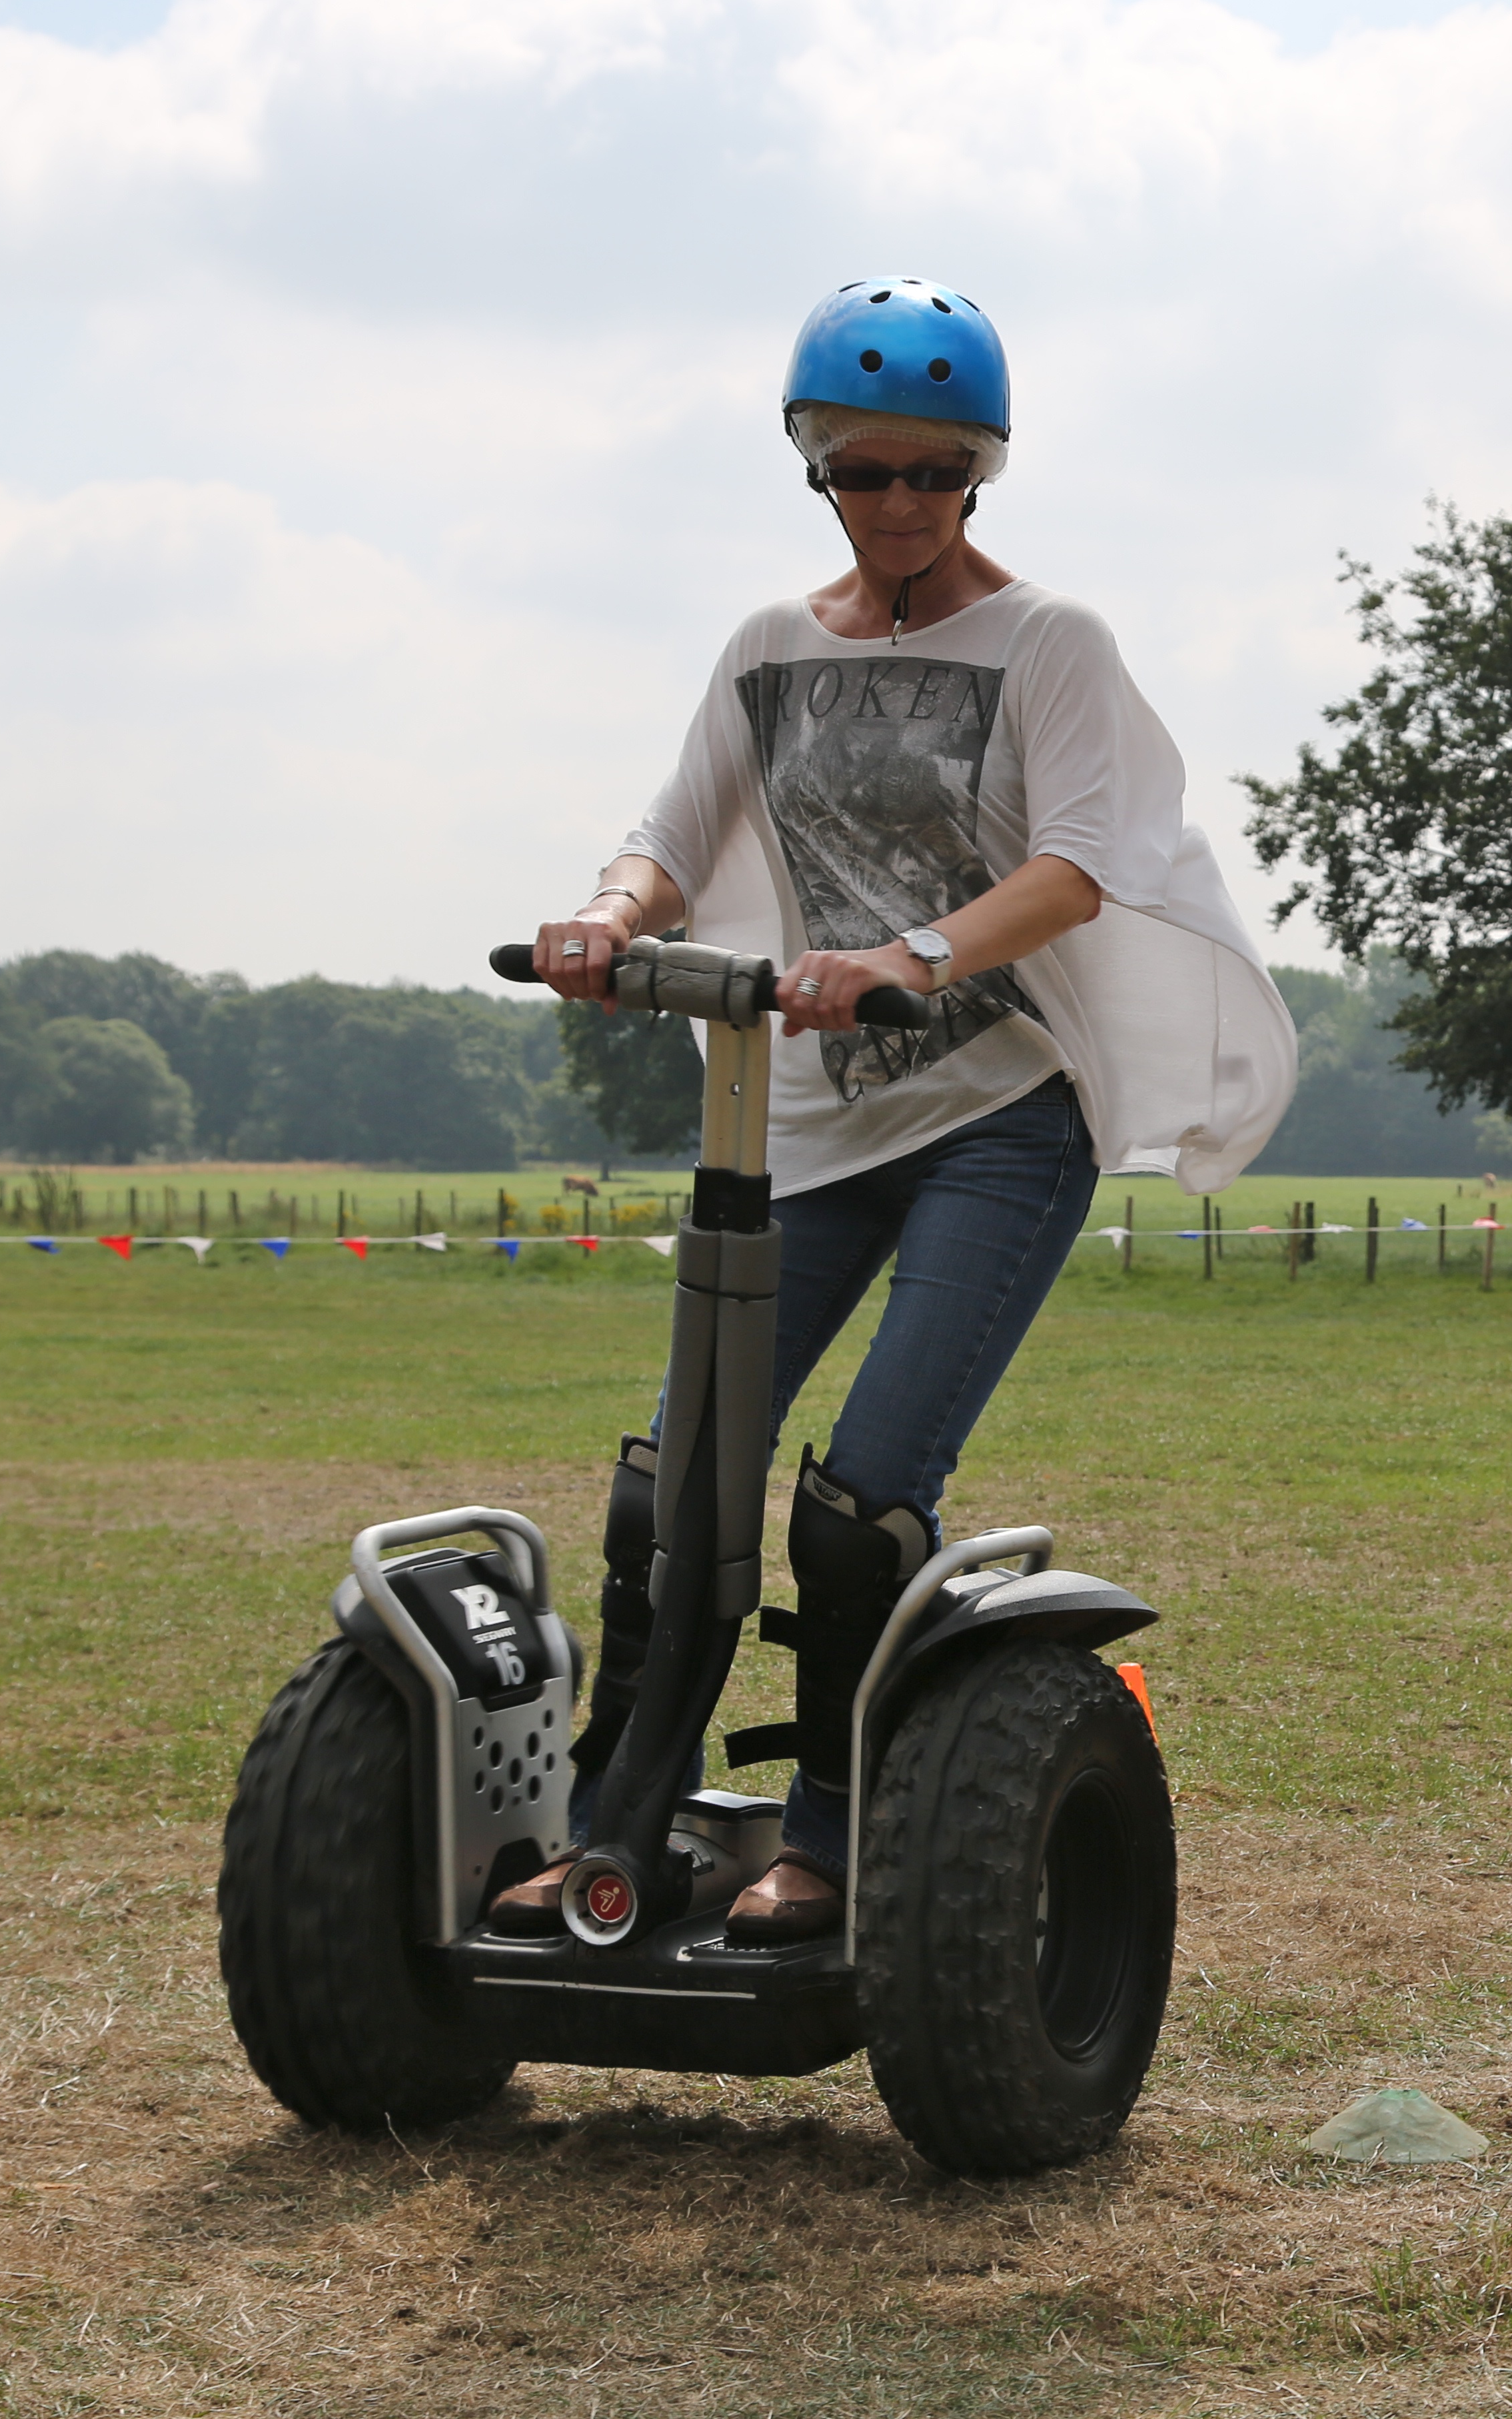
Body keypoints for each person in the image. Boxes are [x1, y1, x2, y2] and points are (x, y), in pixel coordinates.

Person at [492, 275, 1293, 1942]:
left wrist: (909, 954)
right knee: (675, 1491)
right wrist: (610, 918)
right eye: (868, 471)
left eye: (938, 471)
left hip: (1002, 1114)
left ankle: (832, 1836)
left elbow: (1081, 864)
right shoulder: (769, 649)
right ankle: (611, 1821)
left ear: (982, 472)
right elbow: (669, 831)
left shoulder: (1048, 643)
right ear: (814, 467)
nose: (904, 504)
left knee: (858, 1508)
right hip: (806, 1128)